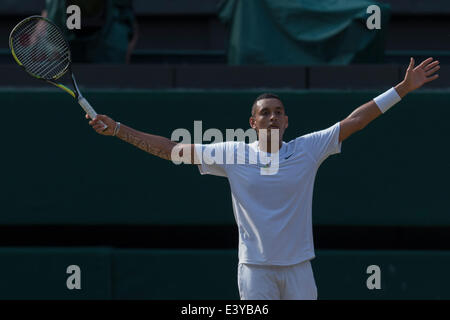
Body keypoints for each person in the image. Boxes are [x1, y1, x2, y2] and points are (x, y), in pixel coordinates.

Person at [87, 57, 439, 299]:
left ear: (286, 122)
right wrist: (118, 129)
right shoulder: (231, 153)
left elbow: (357, 119)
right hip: (255, 270)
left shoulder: (308, 149)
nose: (272, 118)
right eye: (264, 113)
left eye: (278, 113)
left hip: (299, 269)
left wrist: (403, 89)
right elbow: (170, 149)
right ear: (253, 123)